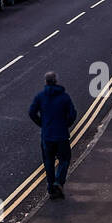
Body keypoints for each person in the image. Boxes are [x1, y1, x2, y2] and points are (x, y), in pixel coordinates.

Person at [28, 71, 77, 199]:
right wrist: (65, 125)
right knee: (64, 160)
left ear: (46, 82)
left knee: (48, 162)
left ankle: (51, 188)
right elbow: (72, 114)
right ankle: (58, 182)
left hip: (47, 136)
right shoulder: (64, 97)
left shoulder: (40, 96)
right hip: (61, 136)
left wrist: (42, 124)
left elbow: (32, 112)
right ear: (56, 81)